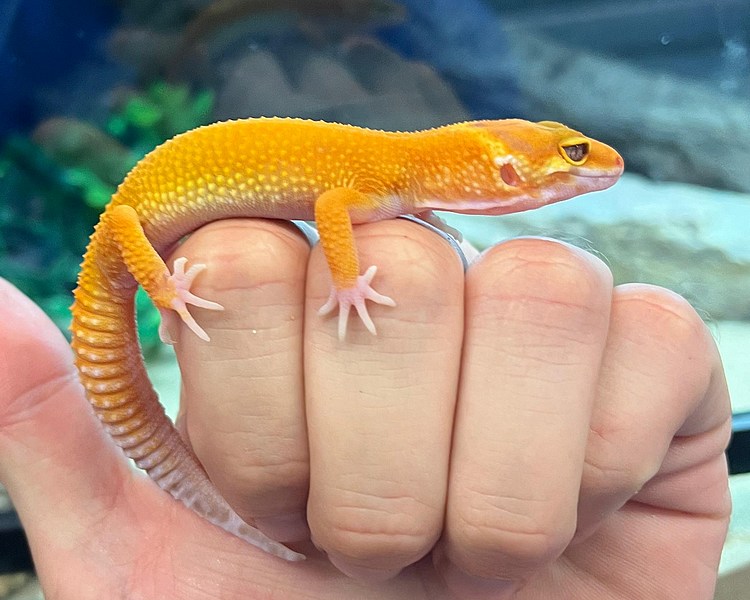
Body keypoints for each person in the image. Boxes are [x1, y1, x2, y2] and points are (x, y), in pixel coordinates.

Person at [0, 218, 731, 599]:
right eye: (570, 158)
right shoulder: (385, 174)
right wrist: (166, 292)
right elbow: (328, 213)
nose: (591, 170)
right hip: (133, 238)